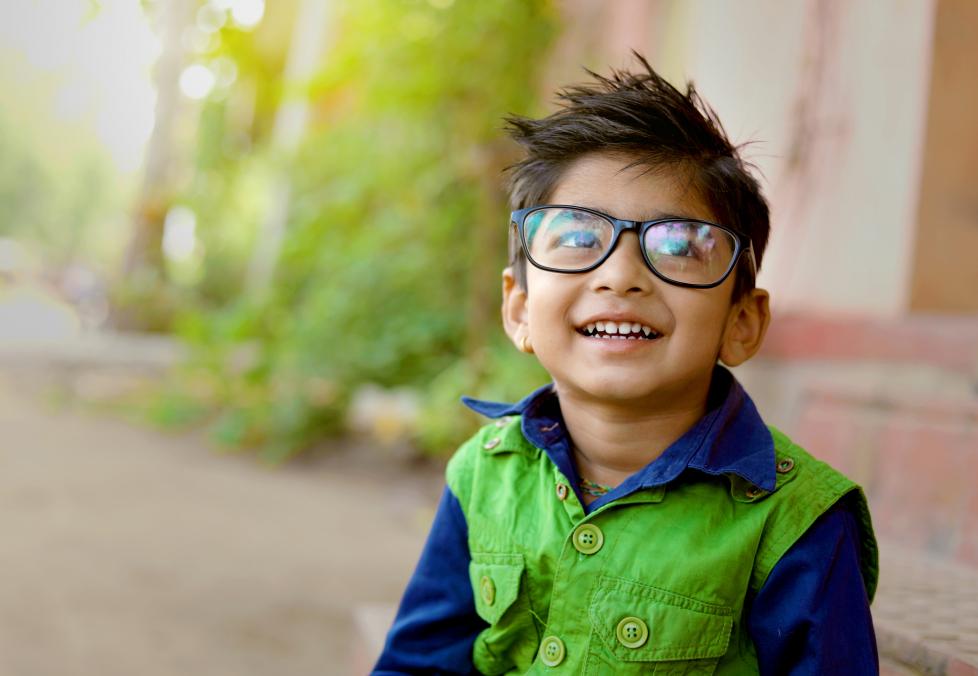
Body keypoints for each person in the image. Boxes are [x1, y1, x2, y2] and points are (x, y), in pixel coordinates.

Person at [373, 55, 878, 675]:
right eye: (579, 237)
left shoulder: (799, 525)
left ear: (741, 322)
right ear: (520, 308)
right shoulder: (483, 476)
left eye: (679, 244)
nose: (620, 276)